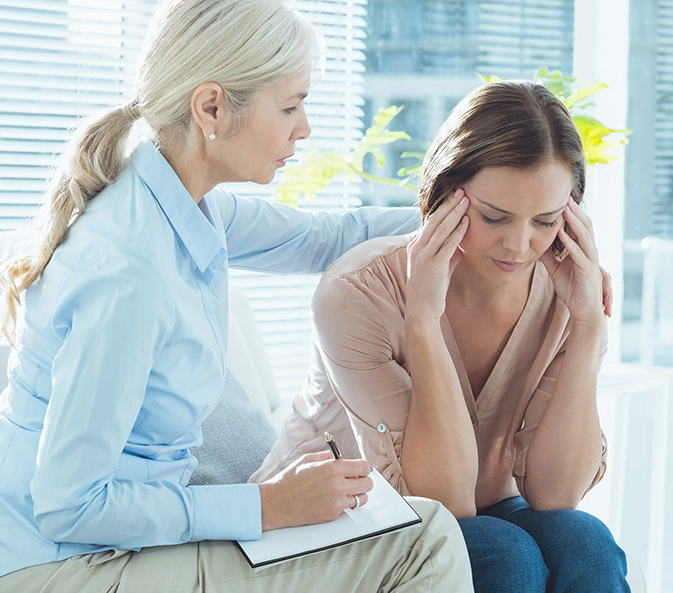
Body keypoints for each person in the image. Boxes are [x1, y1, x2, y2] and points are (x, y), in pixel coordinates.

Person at [0, 1, 475, 591]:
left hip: (110, 544)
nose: (305, 127)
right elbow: (69, 506)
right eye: (290, 106)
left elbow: (327, 237)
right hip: (60, 566)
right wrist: (267, 505)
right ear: (212, 108)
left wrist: (482, 222)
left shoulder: (187, 207)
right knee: (425, 537)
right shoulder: (129, 270)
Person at [252, 80, 631, 592]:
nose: (519, 245)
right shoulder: (358, 292)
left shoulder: (567, 292)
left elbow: (556, 496)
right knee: (503, 553)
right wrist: (423, 322)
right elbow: (442, 501)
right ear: (443, 197)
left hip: (482, 513)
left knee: (586, 543)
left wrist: (586, 325)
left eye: (544, 222)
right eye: (494, 217)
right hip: (336, 516)